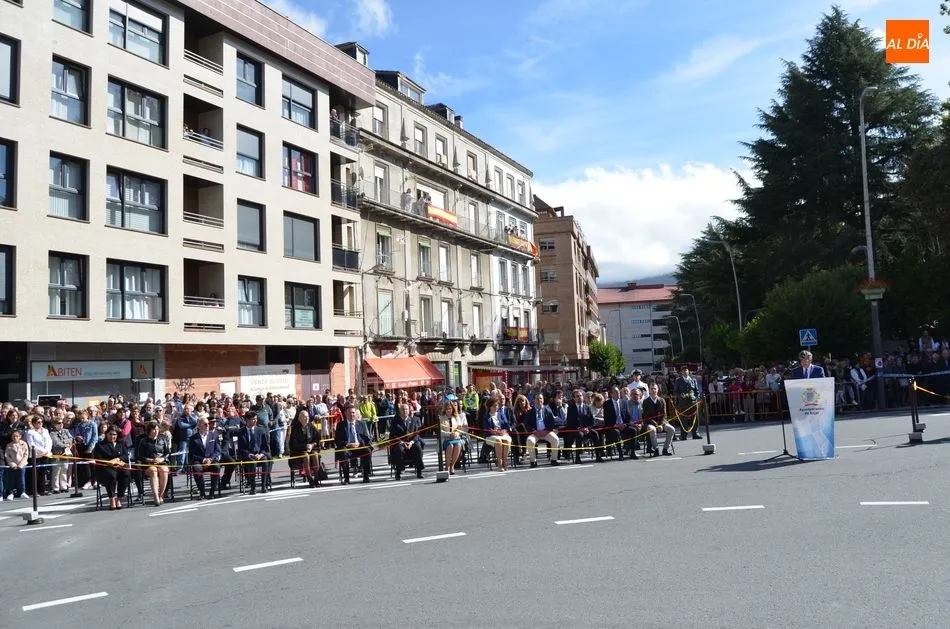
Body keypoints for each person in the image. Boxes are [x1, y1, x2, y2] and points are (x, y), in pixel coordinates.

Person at [93, 427, 131, 510]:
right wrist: (109, 463)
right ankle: (112, 498)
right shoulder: (100, 445)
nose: (112, 436)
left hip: (119, 465)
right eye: (110, 434)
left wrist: (118, 459)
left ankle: (119, 498)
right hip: (105, 467)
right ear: (106, 434)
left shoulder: (121, 444)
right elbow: (98, 459)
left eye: (114, 434)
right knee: (111, 475)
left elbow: (125, 456)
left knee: (126, 474)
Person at [334, 406, 374, 484]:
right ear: (345, 414)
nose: (352, 414)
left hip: (359, 447)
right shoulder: (341, 425)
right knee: (343, 454)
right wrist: (347, 444)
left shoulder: (362, 424)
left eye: (353, 413)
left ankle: (366, 476)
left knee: (367, 451)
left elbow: (366, 439)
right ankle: (346, 479)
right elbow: (337, 440)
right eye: (350, 413)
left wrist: (359, 443)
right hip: (347, 448)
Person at [136, 421, 170, 506]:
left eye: (157, 429)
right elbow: (140, 456)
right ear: (149, 430)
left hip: (161, 462)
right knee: (153, 470)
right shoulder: (143, 441)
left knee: (164, 470)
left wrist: (162, 459)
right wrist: (150, 460)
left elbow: (167, 452)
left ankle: (161, 495)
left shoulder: (163, 438)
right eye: (154, 429)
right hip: (148, 463)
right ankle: (156, 497)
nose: (156, 431)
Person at [188, 418, 222, 500]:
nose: (208, 426)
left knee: (217, 467)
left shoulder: (214, 435)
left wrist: (210, 459)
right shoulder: (193, 438)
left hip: (211, 460)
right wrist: (203, 460)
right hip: (199, 461)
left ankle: (212, 492)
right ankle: (202, 492)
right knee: (196, 469)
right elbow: (192, 454)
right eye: (205, 424)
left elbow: (217, 450)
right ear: (199, 425)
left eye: (208, 424)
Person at [523, 393, 560, 467]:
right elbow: (527, 424)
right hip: (535, 433)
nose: (539, 400)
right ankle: (533, 461)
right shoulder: (530, 411)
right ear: (534, 400)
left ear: (543, 400)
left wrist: (546, 431)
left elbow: (552, 423)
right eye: (537, 399)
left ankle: (554, 460)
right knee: (530, 440)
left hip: (546, 432)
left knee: (555, 439)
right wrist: (534, 431)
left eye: (540, 398)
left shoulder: (548, 410)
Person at [286, 409, 321, 487]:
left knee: (315, 454)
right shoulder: (295, 428)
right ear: (300, 418)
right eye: (305, 417)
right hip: (298, 451)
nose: (307, 418)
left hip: (311, 449)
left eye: (308, 416)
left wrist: (312, 445)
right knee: (306, 456)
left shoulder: (311, 426)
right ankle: (310, 479)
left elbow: (317, 439)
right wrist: (305, 446)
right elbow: (294, 444)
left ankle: (316, 478)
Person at [238, 412, 271, 495]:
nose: (255, 421)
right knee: (252, 463)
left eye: (256, 419)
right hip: (248, 455)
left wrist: (261, 454)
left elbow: (265, 447)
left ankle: (264, 486)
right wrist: (249, 454)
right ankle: (253, 487)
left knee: (265, 461)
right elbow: (241, 448)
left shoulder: (260, 430)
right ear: (247, 420)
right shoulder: (241, 432)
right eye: (253, 419)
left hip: (259, 454)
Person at [391, 403, 424, 480]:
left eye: (406, 409)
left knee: (418, 447)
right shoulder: (395, 422)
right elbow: (392, 435)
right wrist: (402, 443)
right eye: (403, 409)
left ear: (409, 411)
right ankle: (399, 472)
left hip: (412, 442)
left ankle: (419, 471)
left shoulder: (413, 420)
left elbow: (417, 434)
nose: (405, 411)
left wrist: (411, 442)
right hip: (400, 442)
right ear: (399, 411)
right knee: (399, 450)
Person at [481, 397, 513, 471]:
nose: (496, 407)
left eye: (497, 405)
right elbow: (487, 429)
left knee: (507, 441)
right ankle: (499, 462)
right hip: (491, 436)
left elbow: (506, 425)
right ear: (489, 407)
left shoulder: (501, 414)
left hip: (502, 434)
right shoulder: (486, 416)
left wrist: (504, 431)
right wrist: (496, 432)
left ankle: (505, 461)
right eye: (494, 406)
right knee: (498, 441)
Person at [643, 383, 675, 456]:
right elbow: (647, 417)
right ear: (649, 390)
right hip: (650, 423)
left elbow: (664, 415)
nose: (653, 390)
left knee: (672, 429)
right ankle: (656, 449)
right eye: (652, 389)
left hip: (662, 422)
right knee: (652, 429)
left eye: (655, 389)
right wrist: (657, 425)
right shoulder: (645, 401)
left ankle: (665, 449)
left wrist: (661, 424)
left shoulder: (662, 400)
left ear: (657, 390)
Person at [674, 367, 702, 440]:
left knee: (695, 418)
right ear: (681, 372)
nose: (685, 371)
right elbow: (676, 391)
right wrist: (681, 395)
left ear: (688, 371)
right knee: (683, 419)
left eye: (686, 370)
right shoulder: (678, 380)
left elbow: (696, 391)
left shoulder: (693, 380)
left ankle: (695, 433)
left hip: (692, 402)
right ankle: (683, 435)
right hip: (683, 403)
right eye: (683, 370)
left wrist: (696, 397)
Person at [49, 415, 75, 493]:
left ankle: (63, 486)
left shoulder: (66, 431)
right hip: (57, 454)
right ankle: (55, 487)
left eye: (61, 423)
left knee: (64, 470)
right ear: (54, 424)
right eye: (58, 423)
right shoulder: (52, 433)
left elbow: (71, 439)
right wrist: (66, 443)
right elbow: (56, 443)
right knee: (56, 471)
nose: (61, 424)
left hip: (65, 453)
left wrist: (65, 442)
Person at [602, 386, 628, 460]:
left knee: (633, 430)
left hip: (623, 425)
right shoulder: (607, 404)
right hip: (613, 426)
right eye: (616, 392)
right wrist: (615, 425)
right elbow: (607, 419)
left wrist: (625, 424)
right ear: (611, 394)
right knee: (616, 432)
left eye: (619, 391)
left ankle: (631, 451)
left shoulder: (624, 402)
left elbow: (627, 415)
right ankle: (620, 453)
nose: (618, 393)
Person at [439, 401, 463, 475]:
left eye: (450, 408)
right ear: (444, 409)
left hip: (455, 438)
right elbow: (440, 431)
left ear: (453, 409)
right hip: (446, 439)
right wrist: (449, 434)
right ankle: (447, 466)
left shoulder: (456, 417)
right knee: (450, 446)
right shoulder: (441, 418)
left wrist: (456, 433)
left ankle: (452, 465)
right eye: (447, 409)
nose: (448, 410)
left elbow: (460, 429)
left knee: (458, 445)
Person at [4, 430, 28, 499]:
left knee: (21, 478)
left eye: (17, 436)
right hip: (12, 465)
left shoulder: (24, 444)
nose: (15, 437)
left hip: (22, 464)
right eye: (13, 436)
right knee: (11, 479)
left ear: (20, 437)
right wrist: (13, 464)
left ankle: (22, 492)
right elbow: (7, 456)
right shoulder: (9, 445)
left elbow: (26, 455)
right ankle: (11, 493)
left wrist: (21, 465)